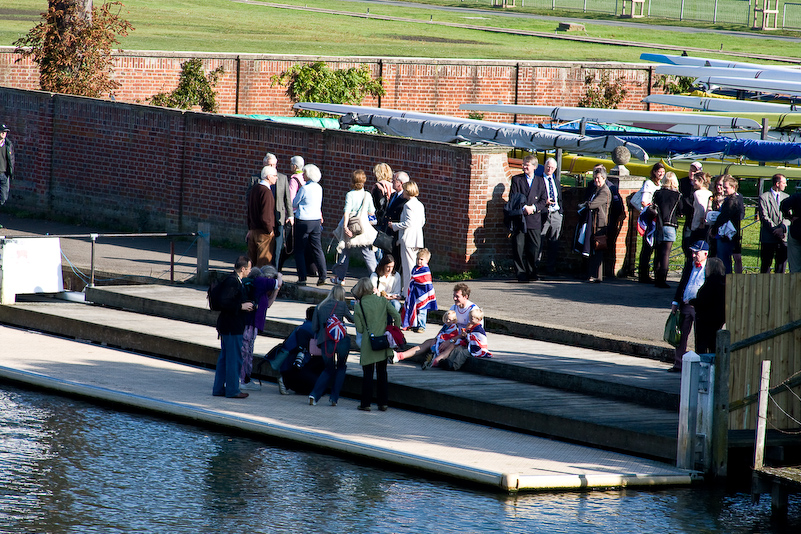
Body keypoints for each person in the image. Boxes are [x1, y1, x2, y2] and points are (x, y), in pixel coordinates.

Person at [392, 283, 479, 363]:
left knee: (449, 345)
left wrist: (451, 341)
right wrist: (437, 338)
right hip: (453, 337)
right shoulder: (454, 307)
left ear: (466, 297)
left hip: (467, 341)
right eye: (454, 296)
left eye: (457, 296)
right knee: (429, 342)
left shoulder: (473, 310)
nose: (454, 298)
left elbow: (469, 333)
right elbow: (446, 326)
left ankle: (435, 361)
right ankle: (400, 356)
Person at [352, 277, 401, 412]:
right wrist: (394, 330)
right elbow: (397, 316)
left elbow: (360, 329)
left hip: (369, 343)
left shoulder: (359, 306)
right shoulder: (382, 301)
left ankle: (365, 404)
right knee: (382, 373)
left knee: (368, 374)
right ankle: (383, 403)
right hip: (383, 341)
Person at [212, 256, 255, 398]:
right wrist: (241, 306)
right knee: (234, 359)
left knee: (225, 358)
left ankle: (218, 389)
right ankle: (232, 390)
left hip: (227, 326)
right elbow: (225, 302)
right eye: (249, 268)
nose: (250, 271)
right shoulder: (232, 281)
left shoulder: (233, 280)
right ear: (243, 269)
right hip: (232, 327)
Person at [330, 169, 378, 285]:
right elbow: (372, 212)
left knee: (345, 252)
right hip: (363, 227)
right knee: (368, 254)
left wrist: (345, 227)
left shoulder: (350, 194)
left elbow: (346, 211)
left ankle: (341, 278)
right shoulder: (367, 195)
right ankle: (376, 278)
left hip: (350, 226)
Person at [309, 284, 353, 406]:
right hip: (341, 341)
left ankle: (314, 395)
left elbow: (314, 327)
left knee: (328, 369)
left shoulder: (319, 306)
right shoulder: (342, 305)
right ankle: (334, 398)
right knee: (341, 367)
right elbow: (352, 319)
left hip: (325, 341)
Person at [240, 266, 281, 391]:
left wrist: (276, 291)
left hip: (253, 325)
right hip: (249, 324)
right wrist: (279, 276)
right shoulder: (261, 281)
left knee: (248, 351)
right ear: (268, 277)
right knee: (245, 352)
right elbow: (278, 281)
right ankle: (243, 379)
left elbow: (267, 304)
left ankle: (245, 378)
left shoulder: (261, 289)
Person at [669, 241, 709, 372]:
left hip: (700, 307)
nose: (693, 255)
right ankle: (678, 364)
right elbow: (682, 284)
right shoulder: (689, 266)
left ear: (705, 254)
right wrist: (676, 302)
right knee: (681, 335)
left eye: (696, 253)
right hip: (686, 304)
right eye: (693, 252)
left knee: (700, 337)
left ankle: (701, 364)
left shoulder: (709, 269)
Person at [509, 155, 548, 282]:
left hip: (534, 219)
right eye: (524, 164)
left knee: (534, 248)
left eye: (527, 164)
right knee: (518, 247)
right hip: (520, 218)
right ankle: (520, 273)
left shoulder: (540, 181)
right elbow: (513, 198)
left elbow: (544, 200)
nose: (524, 167)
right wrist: (525, 207)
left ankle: (532, 272)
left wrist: (534, 208)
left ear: (534, 167)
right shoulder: (516, 180)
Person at [293, 163, 327, 286]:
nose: (303, 175)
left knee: (299, 250)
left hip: (303, 220)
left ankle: (302, 278)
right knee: (317, 248)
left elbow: (295, 203)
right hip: (316, 220)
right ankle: (323, 275)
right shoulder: (319, 188)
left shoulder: (304, 188)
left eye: (305, 173)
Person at [389, 180, 426, 294]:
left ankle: (407, 293)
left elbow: (408, 223)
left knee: (408, 267)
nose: (403, 192)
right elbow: (422, 222)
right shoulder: (419, 204)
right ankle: (410, 291)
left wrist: (394, 225)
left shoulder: (408, 205)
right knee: (412, 266)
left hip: (409, 239)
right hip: (416, 238)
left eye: (404, 190)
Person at [649, 172, 682, 288]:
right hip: (670, 224)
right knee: (665, 254)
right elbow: (680, 211)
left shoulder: (657, 193)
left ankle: (657, 277)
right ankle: (662, 279)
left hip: (658, 224)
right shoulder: (677, 195)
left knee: (658, 252)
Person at [691, 257, 727, 355]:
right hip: (718, 319)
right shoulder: (724, 282)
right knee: (714, 346)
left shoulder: (711, 282)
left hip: (706, 319)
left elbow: (704, 300)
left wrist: (692, 302)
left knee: (702, 346)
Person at [263, 152, 293, 271]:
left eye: (274, 165)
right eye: (269, 165)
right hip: (265, 218)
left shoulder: (282, 178)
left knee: (278, 246)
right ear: (264, 164)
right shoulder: (258, 179)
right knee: (265, 246)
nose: (272, 168)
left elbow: (287, 199)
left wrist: (290, 215)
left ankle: (275, 270)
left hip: (278, 217)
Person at [636, 162, 664, 283]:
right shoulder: (649, 184)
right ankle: (643, 274)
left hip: (656, 218)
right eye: (659, 172)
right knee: (647, 246)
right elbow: (644, 201)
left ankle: (647, 272)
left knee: (653, 246)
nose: (661, 174)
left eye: (663, 172)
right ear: (654, 172)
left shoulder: (660, 184)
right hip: (649, 217)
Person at [582, 165, 611, 283]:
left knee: (598, 249)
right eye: (595, 178)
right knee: (595, 250)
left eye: (598, 178)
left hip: (600, 224)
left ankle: (597, 276)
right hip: (594, 223)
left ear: (604, 178)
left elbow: (592, 204)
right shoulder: (597, 189)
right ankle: (592, 274)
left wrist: (585, 204)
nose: (596, 180)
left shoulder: (604, 191)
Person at [710, 175, 743, 274]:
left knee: (724, 260)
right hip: (728, 234)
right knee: (724, 258)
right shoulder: (729, 199)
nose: (723, 190)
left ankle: (725, 282)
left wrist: (714, 228)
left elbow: (723, 217)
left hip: (726, 234)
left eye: (726, 187)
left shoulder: (732, 201)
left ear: (733, 187)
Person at [758, 173, 789, 273]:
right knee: (766, 264)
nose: (786, 185)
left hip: (783, 237)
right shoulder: (764, 197)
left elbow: (789, 216)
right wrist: (775, 229)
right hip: (768, 237)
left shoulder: (787, 197)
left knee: (781, 266)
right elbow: (764, 216)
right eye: (784, 183)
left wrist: (782, 228)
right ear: (777, 183)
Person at [247, 166, 277, 267]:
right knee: (263, 262)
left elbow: (249, 210)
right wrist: (270, 230)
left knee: (252, 262)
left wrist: (250, 228)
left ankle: (249, 282)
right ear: (268, 177)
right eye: (275, 176)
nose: (276, 178)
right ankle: (260, 282)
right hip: (263, 232)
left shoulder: (254, 189)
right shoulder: (266, 192)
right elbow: (266, 215)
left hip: (253, 230)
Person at [381, 171, 410, 274]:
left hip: (396, 234)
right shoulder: (393, 195)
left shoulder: (405, 199)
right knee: (386, 259)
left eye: (394, 180)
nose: (392, 182)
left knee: (395, 261)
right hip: (387, 233)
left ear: (400, 183)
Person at [402, 248, 437, 332]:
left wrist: (416, 279)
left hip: (423, 293)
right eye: (418, 259)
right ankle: (414, 324)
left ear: (427, 260)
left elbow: (426, 281)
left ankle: (422, 326)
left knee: (422, 310)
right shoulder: (415, 268)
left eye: (421, 259)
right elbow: (413, 278)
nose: (419, 261)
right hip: (415, 292)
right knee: (414, 309)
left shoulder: (425, 270)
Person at [539, 157, 563, 276]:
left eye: (552, 168)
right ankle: (534, 267)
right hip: (544, 213)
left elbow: (560, 198)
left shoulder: (556, 181)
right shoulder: (539, 180)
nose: (550, 169)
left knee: (554, 242)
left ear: (555, 169)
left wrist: (561, 213)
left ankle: (551, 268)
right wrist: (544, 202)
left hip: (556, 213)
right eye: (548, 166)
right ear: (544, 166)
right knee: (539, 240)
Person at [679, 161, 703, 258]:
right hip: (688, 216)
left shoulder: (702, 187)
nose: (692, 173)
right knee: (686, 242)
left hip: (699, 217)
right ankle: (688, 259)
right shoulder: (683, 182)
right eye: (691, 170)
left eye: (695, 171)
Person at [687, 171, 713, 255]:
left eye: (695, 181)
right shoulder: (710, 193)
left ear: (701, 181)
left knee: (693, 247)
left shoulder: (697, 193)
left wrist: (701, 222)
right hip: (707, 223)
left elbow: (701, 208)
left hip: (698, 223)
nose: (693, 183)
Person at [780, 188, 801, 273]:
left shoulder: (797, 196)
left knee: (795, 266)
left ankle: (795, 284)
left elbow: (783, 205)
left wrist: (790, 217)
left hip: (796, 230)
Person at [0, 124, 14, 210]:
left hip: (4, 174)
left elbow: (11, 159)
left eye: (5, 132)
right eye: (2, 131)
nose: (4, 133)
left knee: (3, 198)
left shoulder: (8, 145)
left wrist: (10, 171)